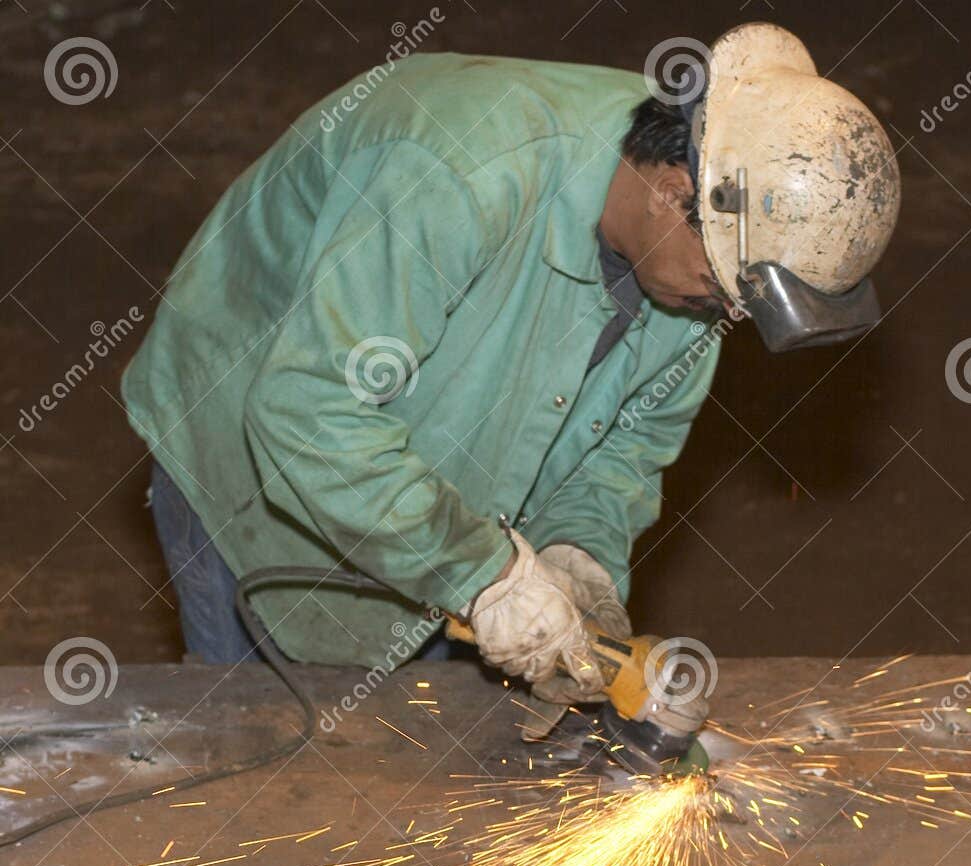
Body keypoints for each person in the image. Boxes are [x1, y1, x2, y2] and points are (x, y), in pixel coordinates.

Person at [123, 25, 899, 725]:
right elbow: (308, 411)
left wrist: (576, 556)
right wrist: (482, 574)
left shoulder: (715, 223)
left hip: (431, 453)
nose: (724, 314)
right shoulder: (460, 176)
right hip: (255, 430)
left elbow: (631, 441)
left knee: (411, 728)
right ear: (672, 195)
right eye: (723, 289)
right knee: (260, 744)